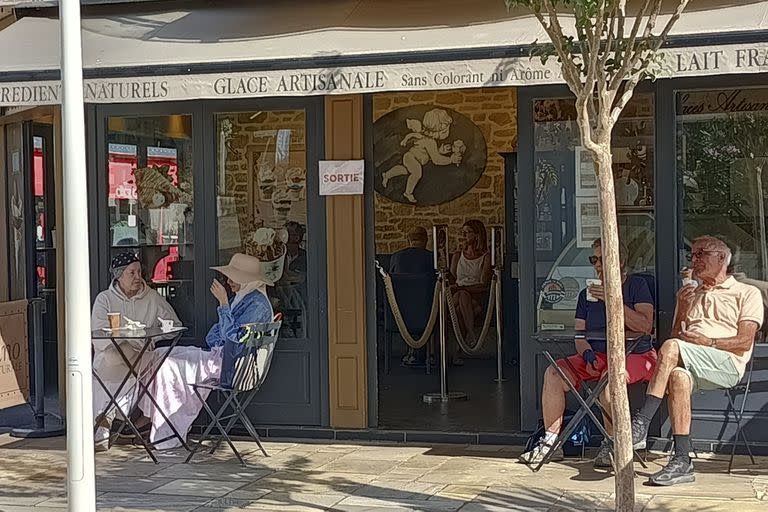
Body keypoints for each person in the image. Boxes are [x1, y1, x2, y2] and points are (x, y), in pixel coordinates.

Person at [630, 235, 763, 486]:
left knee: (670, 349)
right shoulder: (692, 293)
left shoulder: (746, 292)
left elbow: (745, 342)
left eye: (702, 253)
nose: (695, 259)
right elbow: (675, 340)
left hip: (726, 363)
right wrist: (682, 306)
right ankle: (682, 461)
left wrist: (709, 342)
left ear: (722, 258)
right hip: (694, 360)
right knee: (678, 376)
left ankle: (642, 422)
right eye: (693, 255)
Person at [520, 238, 656, 467]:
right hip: (598, 355)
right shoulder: (586, 294)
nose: (598, 265)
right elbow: (580, 334)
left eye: (603, 259)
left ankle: (613, 443)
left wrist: (613, 300)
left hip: (635, 355)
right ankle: (552, 443)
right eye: (594, 259)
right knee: (554, 374)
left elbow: (645, 326)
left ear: (620, 261)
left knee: (608, 382)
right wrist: (587, 355)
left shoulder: (636, 286)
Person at [140, 253, 274, 450]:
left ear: (246, 280)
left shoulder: (256, 304)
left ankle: (166, 434)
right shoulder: (244, 298)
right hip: (223, 358)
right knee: (160, 354)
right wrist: (225, 313)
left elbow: (233, 338)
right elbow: (214, 336)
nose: (228, 282)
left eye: (233, 278)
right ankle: (153, 420)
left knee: (168, 366)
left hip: (234, 367)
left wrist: (223, 304)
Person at [91, 252, 181, 452]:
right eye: (131, 273)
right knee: (116, 354)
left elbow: (174, 325)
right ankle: (116, 417)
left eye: (139, 272)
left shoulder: (152, 297)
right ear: (119, 276)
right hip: (112, 354)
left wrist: (151, 337)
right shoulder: (104, 299)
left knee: (122, 360)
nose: (137, 277)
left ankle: (104, 419)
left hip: (140, 356)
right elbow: (97, 331)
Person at [388, 226, 434, 364]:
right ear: (426, 240)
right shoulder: (432, 258)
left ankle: (412, 351)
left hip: (398, 313)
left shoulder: (396, 257)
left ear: (408, 240)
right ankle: (429, 353)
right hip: (426, 312)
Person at [448, 219, 491, 365]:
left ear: (477, 235)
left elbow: (483, 284)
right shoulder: (457, 255)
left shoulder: (485, 257)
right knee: (461, 296)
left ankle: (457, 353)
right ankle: (472, 336)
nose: (465, 235)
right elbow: (454, 278)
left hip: (476, 297)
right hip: (458, 295)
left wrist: (463, 289)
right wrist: (461, 289)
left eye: (468, 232)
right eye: (463, 232)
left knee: (461, 307)